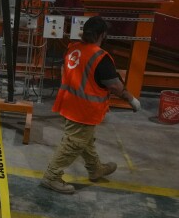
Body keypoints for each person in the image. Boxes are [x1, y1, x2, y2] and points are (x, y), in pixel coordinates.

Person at [41, 16, 141, 194]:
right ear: (102, 34)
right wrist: (132, 100)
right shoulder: (100, 57)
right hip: (83, 110)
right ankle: (51, 176)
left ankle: (95, 169)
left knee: (85, 141)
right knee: (74, 143)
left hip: (68, 104)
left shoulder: (73, 48)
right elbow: (115, 86)